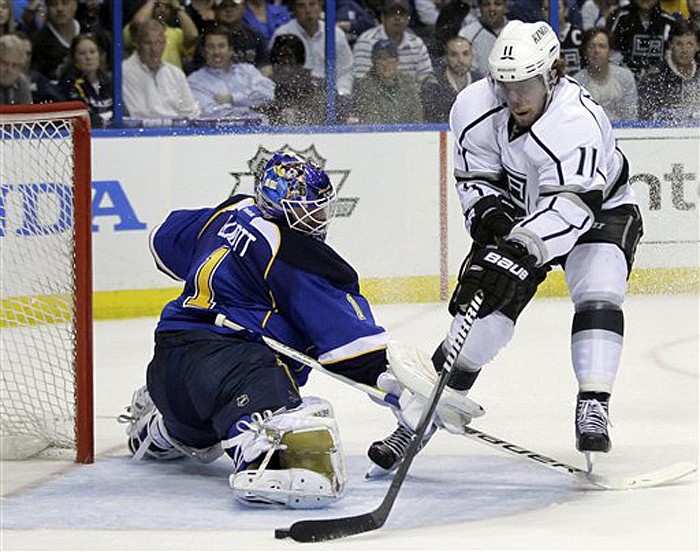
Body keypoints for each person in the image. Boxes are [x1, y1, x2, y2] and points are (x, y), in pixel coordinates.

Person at [117, 149, 478, 508]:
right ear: (279, 206)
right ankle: (260, 452)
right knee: (296, 447)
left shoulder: (233, 209)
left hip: (167, 361)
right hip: (231, 370)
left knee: (198, 436)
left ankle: (160, 427)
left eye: (320, 208)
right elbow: (349, 344)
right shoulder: (293, 252)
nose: (318, 218)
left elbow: (164, 240)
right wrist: (401, 389)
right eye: (308, 209)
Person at [368, 20, 643, 475]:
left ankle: (594, 403)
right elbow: (474, 179)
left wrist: (519, 250)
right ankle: (417, 420)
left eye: (526, 85)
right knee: (481, 320)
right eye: (505, 83)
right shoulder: (473, 106)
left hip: (598, 210)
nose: (514, 97)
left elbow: (572, 208)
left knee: (600, 285)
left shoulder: (579, 122)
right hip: (519, 213)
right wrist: (491, 225)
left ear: (553, 73)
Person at [270, 0, 355, 98]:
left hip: (332, 97)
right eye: (301, 6)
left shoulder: (336, 34)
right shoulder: (282, 34)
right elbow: (278, 72)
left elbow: (345, 71)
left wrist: (340, 94)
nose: (308, 10)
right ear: (294, 9)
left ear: (320, 6)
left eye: (312, 4)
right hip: (295, 96)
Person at [186, 26, 274, 121]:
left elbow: (268, 94)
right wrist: (250, 106)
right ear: (203, 52)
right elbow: (210, 114)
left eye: (221, 46)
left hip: (259, 131)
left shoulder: (248, 71)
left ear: (231, 50)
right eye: (211, 47)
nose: (216, 52)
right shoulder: (194, 81)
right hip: (217, 134)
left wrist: (233, 98)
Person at [122, 19, 200, 120]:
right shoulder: (124, 71)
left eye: (159, 42)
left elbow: (191, 111)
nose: (154, 49)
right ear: (137, 44)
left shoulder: (175, 73)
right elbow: (138, 114)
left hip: (177, 131)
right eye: (148, 43)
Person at [352, 0, 436, 86]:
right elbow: (361, 82)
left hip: (412, 95)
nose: (397, 18)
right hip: (374, 95)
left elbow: (427, 77)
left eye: (402, 14)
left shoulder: (417, 43)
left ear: (408, 19)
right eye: (392, 13)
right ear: (383, 17)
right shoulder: (366, 41)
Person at [637, 18, 700, 120]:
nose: (684, 50)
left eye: (689, 44)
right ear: (671, 45)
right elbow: (646, 117)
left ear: (697, 46)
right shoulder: (655, 77)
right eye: (679, 44)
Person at [352, 38, 424, 123]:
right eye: (380, 59)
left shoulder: (408, 82)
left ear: (397, 62)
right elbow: (371, 120)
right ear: (374, 62)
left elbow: (417, 116)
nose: (385, 63)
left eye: (390, 58)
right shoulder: (364, 86)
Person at [572, 27, 638, 120]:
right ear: (585, 52)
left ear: (610, 52)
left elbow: (631, 115)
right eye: (591, 46)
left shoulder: (625, 77)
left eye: (602, 46)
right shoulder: (577, 82)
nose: (596, 51)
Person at [264, 33, 326, 125]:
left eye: (290, 56)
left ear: (298, 58)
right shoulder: (266, 80)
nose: (286, 61)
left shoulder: (309, 80)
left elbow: (320, 109)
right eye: (282, 56)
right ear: (275, 57)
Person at [606, 0, 676, 80]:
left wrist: (659, 67)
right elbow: (608, 49)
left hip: (659, 81)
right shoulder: (620, 17)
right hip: (622, 79)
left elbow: (673, 55)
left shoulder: (668, 21)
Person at [124, 0, 199, 70]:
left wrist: (177, 8)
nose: (162, 10)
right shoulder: (133, 29)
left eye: (167, 7)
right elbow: (139, 24)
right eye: (158, 5)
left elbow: (193, 35)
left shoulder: (176, 33)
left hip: (170, 81)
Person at [58, 33, 113, 127]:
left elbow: (123, 113)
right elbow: (82, 118)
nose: (88, 57)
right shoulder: (69, 85)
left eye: (92, 52)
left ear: (99, 55)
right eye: (82, 53)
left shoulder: (109, 82)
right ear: (74, 59)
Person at [423, 34, 475, 121]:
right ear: (446, 57)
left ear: (472, 56)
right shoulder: (434, 82)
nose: (461, 60)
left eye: (465, 54)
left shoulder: (480, 81)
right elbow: (432, 119)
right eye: (454, 55)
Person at [458, 0, 508, 79]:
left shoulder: (518, 30)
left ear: (506, 7)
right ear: (480, 8)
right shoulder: (467, 34)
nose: (492, 8)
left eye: (497, 4)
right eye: (486, 4)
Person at [0, 32, 31, 103]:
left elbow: (26, 112)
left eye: (15, 65)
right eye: (4, 63)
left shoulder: (22, 83)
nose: (9, 70)